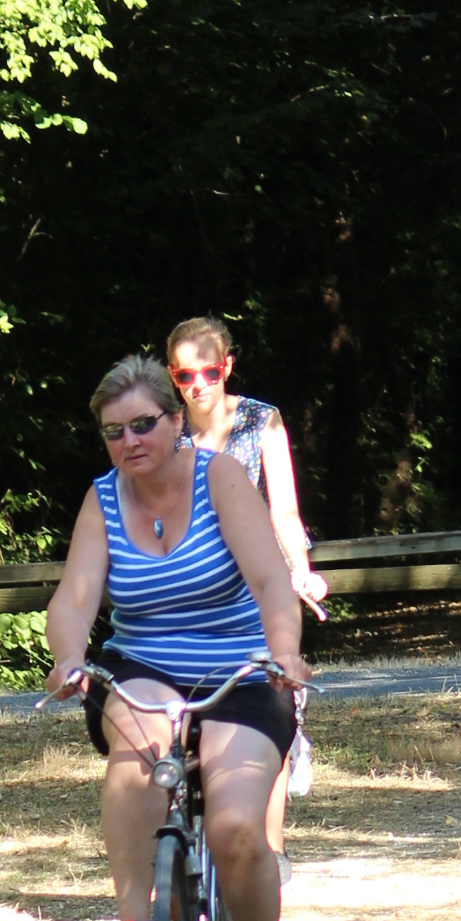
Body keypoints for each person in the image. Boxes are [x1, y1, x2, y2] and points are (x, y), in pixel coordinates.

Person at [44, 353, 313, 921]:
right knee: (140, 749)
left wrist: (284, 652)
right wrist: (70, 657)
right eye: (113, 432)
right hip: (146, 666)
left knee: (233, 829)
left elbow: (269, 578)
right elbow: (72, 599)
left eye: (143, 425)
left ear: (173, 421)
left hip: (242, 668)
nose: (130, 442)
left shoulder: (218, 476)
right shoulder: (102, 499)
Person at [167, 315, 326, 856]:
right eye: (186, 376)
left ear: (227, 367)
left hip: (259, 584)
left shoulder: (262, 421)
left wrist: (298, 567)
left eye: (208, 372)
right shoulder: (162, 431)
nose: (198, 386)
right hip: (191, 587)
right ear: (172, 377)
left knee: (268, 707)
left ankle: (272, 849)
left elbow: (283, 509)